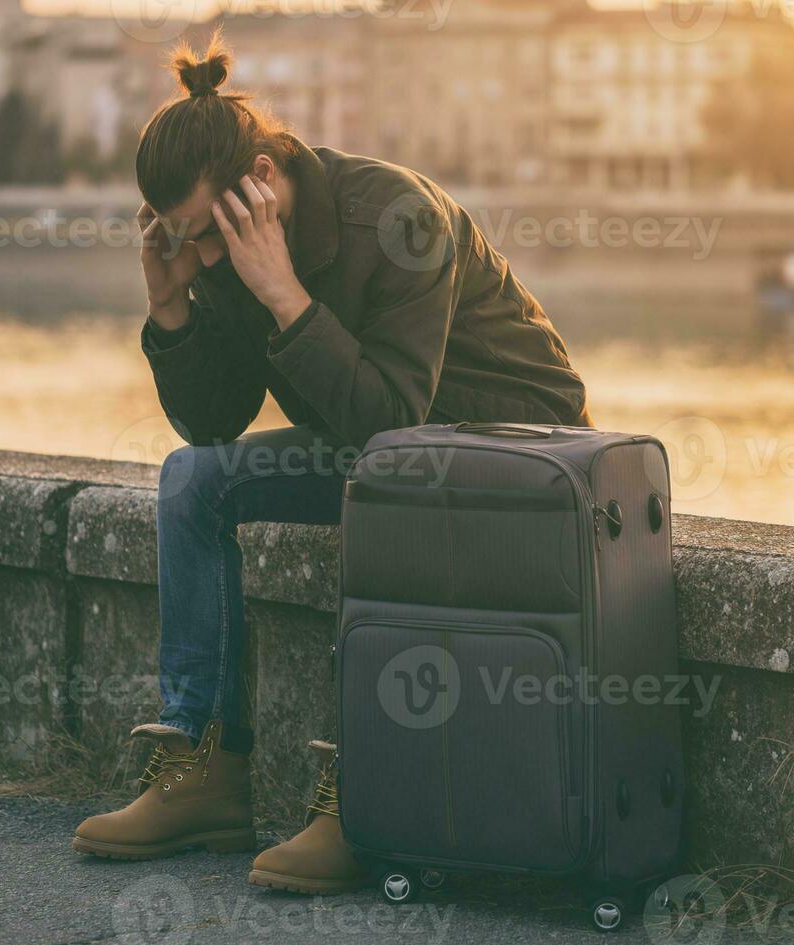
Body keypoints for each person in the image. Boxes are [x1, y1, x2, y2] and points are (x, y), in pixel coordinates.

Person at [72, 32, 591, 894]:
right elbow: (213, 424)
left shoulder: (398, 219)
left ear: (261, 184)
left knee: (384, 488)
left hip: (519, 449)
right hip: (388, 449)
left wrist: (282, 291)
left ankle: (366, 793)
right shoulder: (227, 245)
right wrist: (170, 310)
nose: (201, 256)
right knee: (192, 480)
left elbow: (390, 425)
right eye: (179, 239)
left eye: (203, 235)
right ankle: (204, 769)